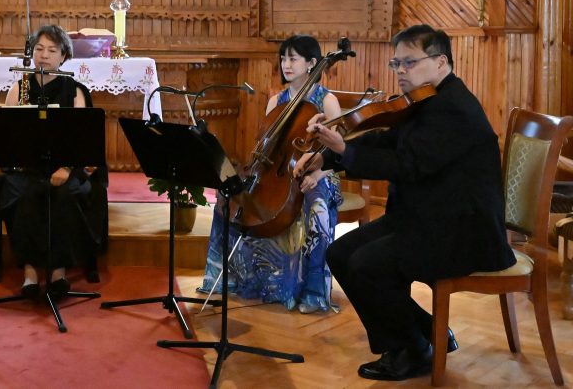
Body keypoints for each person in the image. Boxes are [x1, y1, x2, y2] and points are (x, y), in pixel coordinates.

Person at [302, 24, 515, 381]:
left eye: (409, 62)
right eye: (396, 63)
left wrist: (344, 151)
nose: (400, 71)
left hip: (465, 231)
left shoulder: (454, 108)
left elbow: (407, 165)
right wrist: (330, 156)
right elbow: (387, 142)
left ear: (441, 62)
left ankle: (411, 351)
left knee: (369, 264)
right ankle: (427, 333)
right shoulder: (426, 99)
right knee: (340, 253)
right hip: (427, 218)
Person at [199, 35, 343, 313]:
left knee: (317, 208)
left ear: (312, 63)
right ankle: (231, 278)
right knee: (228, 200)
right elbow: (267, 145)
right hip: (277, 171)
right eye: (283, 58)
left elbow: (336, 152)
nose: (286, 64)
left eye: (293, 58)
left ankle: (313, 292)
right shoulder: (277, 100)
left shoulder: (327, 101)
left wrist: (317, 175)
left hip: (320, 173)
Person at [0, 24, 105, 297]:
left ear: (64, 56)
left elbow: (83, 141)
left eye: (52, 50)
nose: (44, 55)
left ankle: (58, 273)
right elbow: (8, 138)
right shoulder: (18, 88)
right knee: (24, 193)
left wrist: (66, 168)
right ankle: (30, 274)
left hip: (66, 168)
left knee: (64, 194)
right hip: (27, 168)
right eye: (39, 48)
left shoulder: (75, 91)